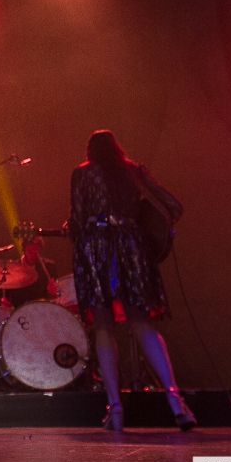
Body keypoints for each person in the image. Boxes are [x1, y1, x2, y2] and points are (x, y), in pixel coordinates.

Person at [68, 130, 195, 432]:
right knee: (142, 324)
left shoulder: (81, 174)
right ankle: (176, 401)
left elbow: (76, 218)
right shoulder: (132, 170)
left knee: (102, 326)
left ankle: (116, 408)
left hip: (96, 249)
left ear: (90, 151)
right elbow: (173, 207)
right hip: (131, 248)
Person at [1, 236, 59, 310]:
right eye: (30, 251)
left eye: (36, 251)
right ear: (24, 250)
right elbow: (5, 297)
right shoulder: (12, 270)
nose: (33, 255)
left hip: (43, 311)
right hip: (19, 314)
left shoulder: (49, 268)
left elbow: (56, 297)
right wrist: (4, 303)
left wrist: (52, 293)